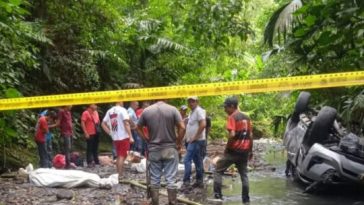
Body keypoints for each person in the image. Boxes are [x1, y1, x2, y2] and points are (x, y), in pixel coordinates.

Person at [137, 100, 185, 205]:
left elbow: (138, 127)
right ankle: (172, 202)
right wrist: (178, 141)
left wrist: (146, 138)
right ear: (166, 99)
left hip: (154, 149)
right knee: (171, 179)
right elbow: (182, 127)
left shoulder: (147, 111)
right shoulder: (172, 109)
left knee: (154, 179)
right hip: (170, 149)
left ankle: (155, 202)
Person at [213, 96, 253, 204]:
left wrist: (226, 149)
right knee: (244, 175)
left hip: (233, 151)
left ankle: (217, 196)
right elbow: (250, 135)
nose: (225, 110)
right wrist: (250, 150)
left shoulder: (232, 117)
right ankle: (246, 200)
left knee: (218, 170)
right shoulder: (247, 117)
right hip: (244, 151)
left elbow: (232, 134)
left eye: (226, 107)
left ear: (232, 106)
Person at [102, 102, 134, 182]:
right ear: (120, 102)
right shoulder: (122, 110)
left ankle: (120, 173)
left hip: (115, 137)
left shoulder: (109, 111)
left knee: (120, 155)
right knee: (122, 156)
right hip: (123, 136)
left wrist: (110, 133)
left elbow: (103, 123)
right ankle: (119, 175)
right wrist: (131, 136)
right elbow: (126, 123)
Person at [182, 96, 206, 189]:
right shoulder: (192, 112)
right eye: (189, 102)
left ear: (197, 102)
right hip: (193, 140)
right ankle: (199, 181)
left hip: (196, 140)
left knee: (187, 160)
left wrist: (195, 137)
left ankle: (186, 182)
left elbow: (203, 124)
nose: (191, 103)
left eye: (192, 101)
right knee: (197, 160)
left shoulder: (199, 111)